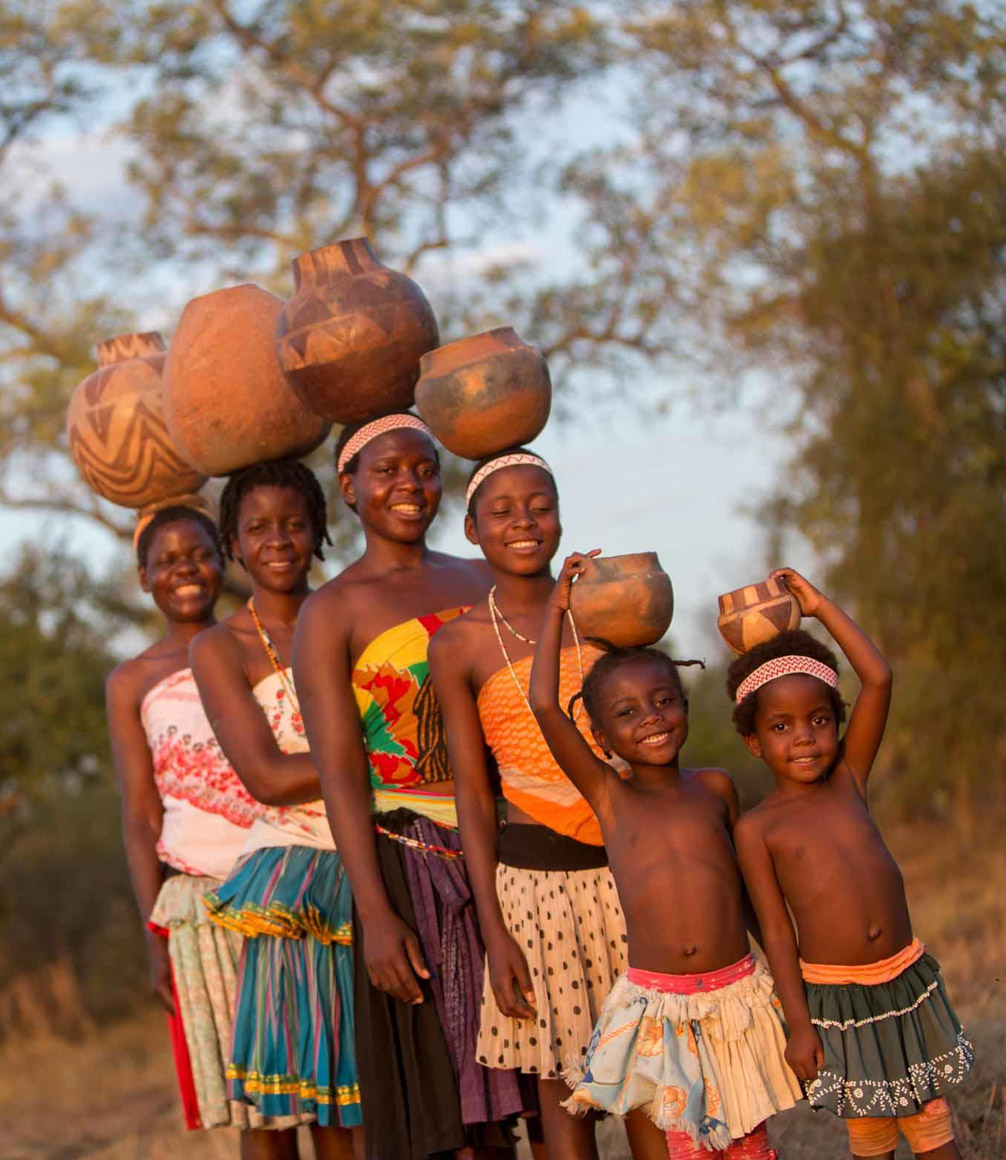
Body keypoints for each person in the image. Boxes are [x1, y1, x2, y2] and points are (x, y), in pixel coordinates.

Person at [293, 414, 526, 1160]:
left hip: (518, 840)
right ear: (350, 487)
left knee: (545, 1078)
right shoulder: (331, 611)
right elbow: (338, 772)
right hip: (413, 860)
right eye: (388, 470)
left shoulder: (482, 576)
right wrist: (375, 912)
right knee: (453, 1095)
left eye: (424, 469)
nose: (410, 485)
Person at [528, 551, 801, 1159]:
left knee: (748, 1144)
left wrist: (792, 992)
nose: (651, 719)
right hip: (662, 1006)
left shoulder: (714, 789)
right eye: (626, 714)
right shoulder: (611, 797)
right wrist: (557, 606)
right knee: (686, 1147)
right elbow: (545, 704)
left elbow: (754, 898)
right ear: (599, 737)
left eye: (663, 701)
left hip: (736, 995)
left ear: (684, 703)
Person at [430, 450, 645, 1160]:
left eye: (540, 507)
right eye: (502, 511)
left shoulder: (606, 613)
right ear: (470, 530)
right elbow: (471, 791)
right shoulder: (460, 642)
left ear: (560, 517)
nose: (524, 522)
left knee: (654, 1071)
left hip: (628, 874)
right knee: (565, 1089)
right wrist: (494, 930)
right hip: (532, 888)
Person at [729, 568, 973, 1160]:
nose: (805, 737)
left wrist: (820, 607)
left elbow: (879, 677)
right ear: (755, 742)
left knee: (929, 1115)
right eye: (781, 726)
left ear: (838, 726)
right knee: (870, 1129)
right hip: (835, 996)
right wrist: (799, 1022)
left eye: (819, 720)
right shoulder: (757, 828)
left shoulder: (850, 782)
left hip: (904, 977)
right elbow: (777, 933)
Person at [107, 501, 302, 1151]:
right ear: (143, 579)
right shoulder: (132, 680)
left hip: (292, 885)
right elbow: (140, 815)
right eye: (166, 561)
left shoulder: (259, 647)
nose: (184, 570)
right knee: (258, 1117)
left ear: (224, 559)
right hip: (204, 907)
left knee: (332, 1098)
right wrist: (153, 934)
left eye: (197, 555)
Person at [192, 460, 362, 1159]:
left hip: (385, 851)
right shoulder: (220, 647)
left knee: (389, 1084)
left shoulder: (356, 613)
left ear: (320, 531)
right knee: (323, 1089)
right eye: (257, 527)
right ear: (232, 541)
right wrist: (366, 766)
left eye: (295, 523)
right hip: (297, 881)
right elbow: (265, 775)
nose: (279, 540)